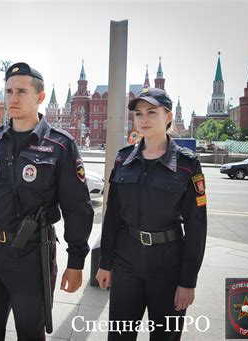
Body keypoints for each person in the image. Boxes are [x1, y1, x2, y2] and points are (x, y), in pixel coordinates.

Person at [0, 62, 94, 340]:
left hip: (31, 257)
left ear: (40, 97)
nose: (13, 98)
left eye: (21, 91)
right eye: (8, 91)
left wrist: (76, 261)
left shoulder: (60, 145)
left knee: (31, 333)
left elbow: (77, 208)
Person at [96, 87, 207, 340]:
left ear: (168, 116)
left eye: (151, 112)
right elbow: (112, 216)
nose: (143, 119)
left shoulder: (188, 164)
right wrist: (105, 264)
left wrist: (188, 281)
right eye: (138, 113)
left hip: (168, 265)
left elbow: (197, 225)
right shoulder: (123, 159)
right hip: (126, 263)